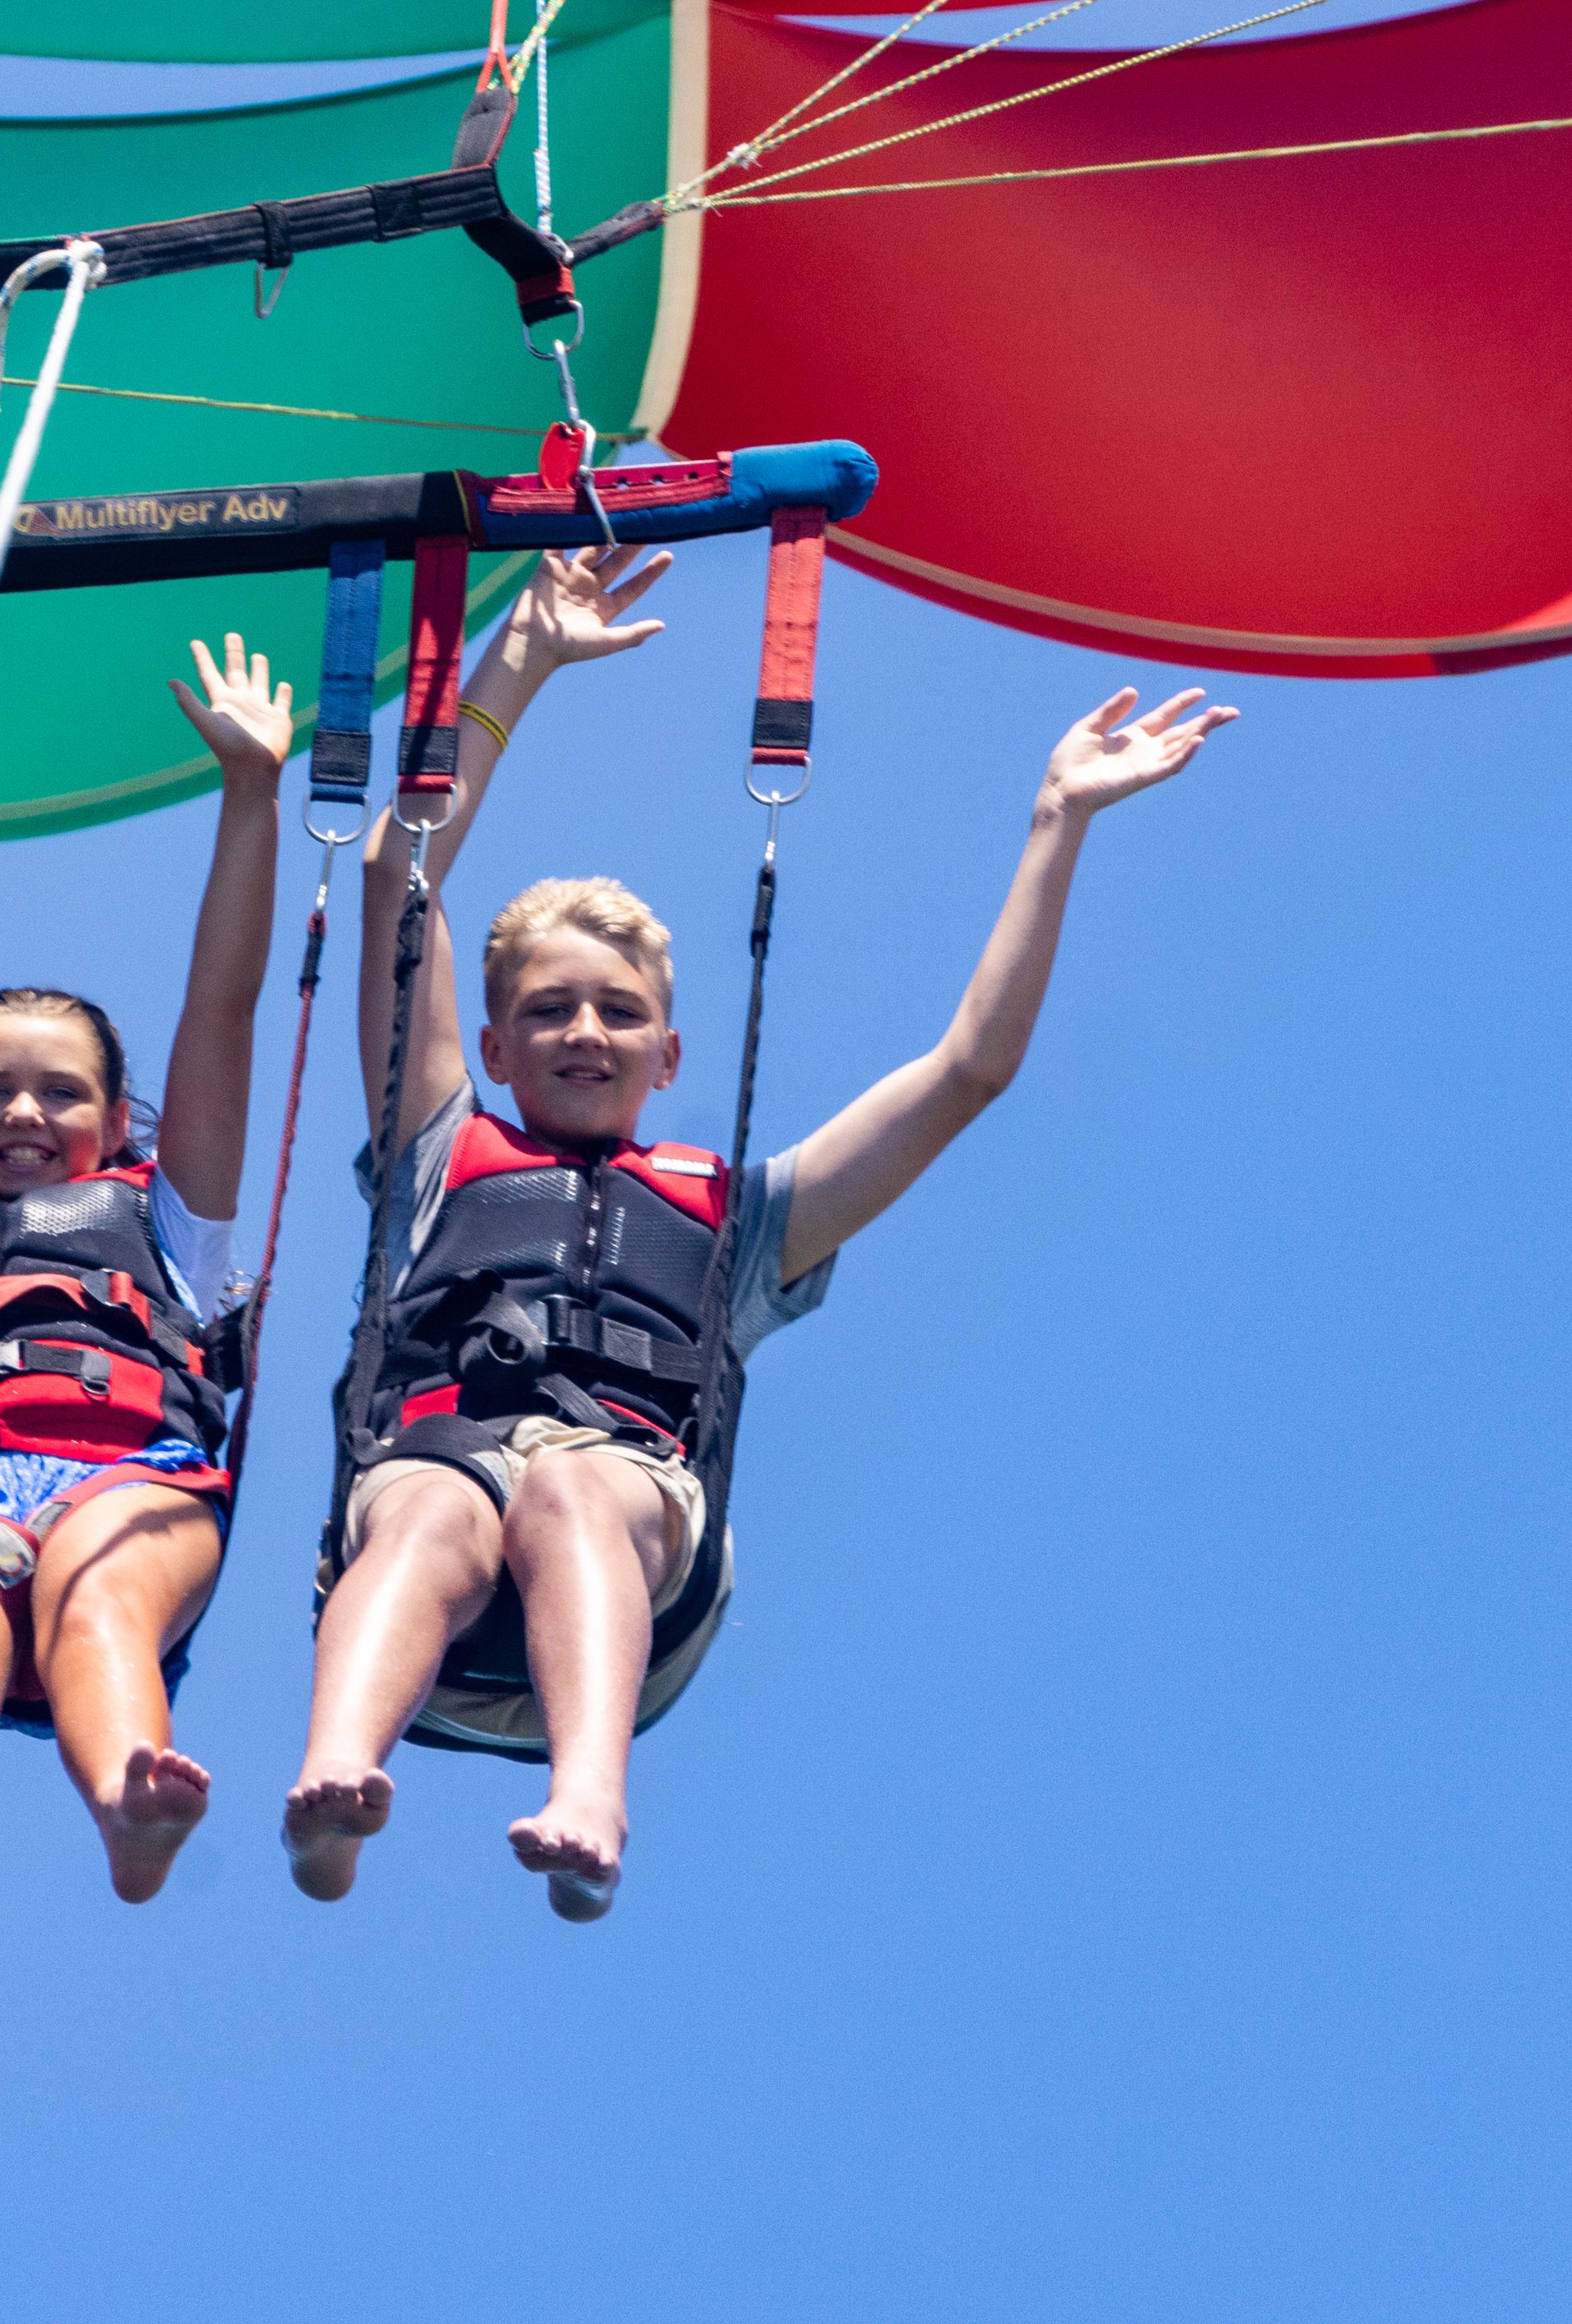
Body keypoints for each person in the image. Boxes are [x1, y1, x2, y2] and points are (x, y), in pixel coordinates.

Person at [0, 544, 678, 2164]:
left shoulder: (178, 1225)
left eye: (57, 1090)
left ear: (114, 1120)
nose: (18, 1113)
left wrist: (251, 797)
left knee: (102, 1593)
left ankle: (133, 1794)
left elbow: (221, 1004)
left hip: (135, 1472)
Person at [282, 655, 1234, 1918]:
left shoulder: (742, 1219)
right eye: (550, 1009)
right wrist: (519, 669)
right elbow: (397, 880)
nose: (584, 1032)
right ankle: (336, 1778)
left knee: (571, 1485)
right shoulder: (436, 1154)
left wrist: (1058, 821)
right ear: (494, 1044)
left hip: (629, 1530)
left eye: (618, 1013)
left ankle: (590, 1797)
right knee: (435, 1505)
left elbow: (966, 1074)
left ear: (668, 1052)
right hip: (436, 1482)